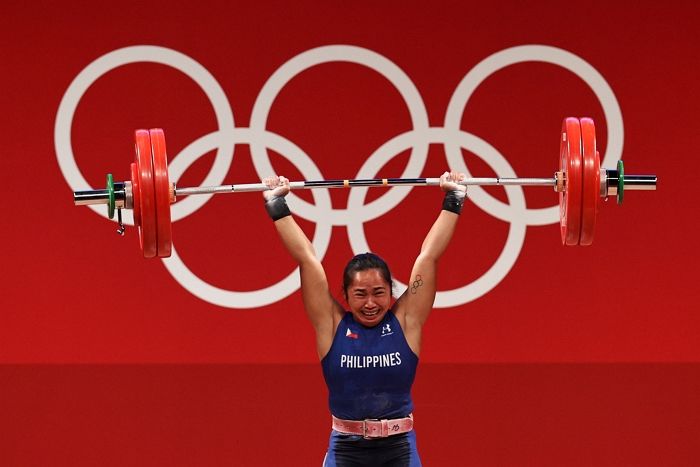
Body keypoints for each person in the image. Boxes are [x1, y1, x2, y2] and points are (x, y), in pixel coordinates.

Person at [262, 172, 467, 467]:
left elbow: (429, 256)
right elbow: (307, 259)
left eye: (379, 292)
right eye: (360, 294)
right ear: (345, 294)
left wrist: (454, 198)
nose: (370, 303)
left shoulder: (406, 321)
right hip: (346, 450)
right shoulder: (331, 325)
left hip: (399, 450)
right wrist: (277, 204)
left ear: (391, 292)